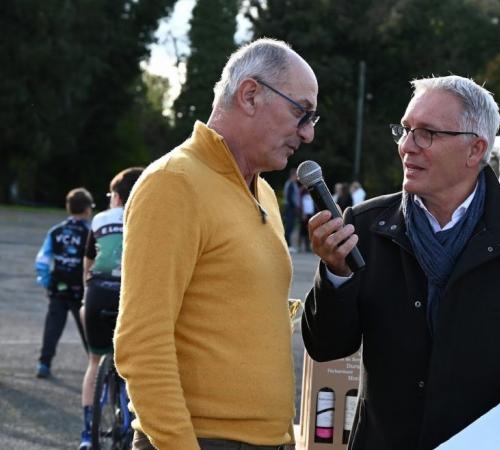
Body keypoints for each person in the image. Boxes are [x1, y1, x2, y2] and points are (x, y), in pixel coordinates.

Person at [302, 75, 500, 450]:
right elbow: (326, 347)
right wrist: (335, 275)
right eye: (405, 130)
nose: (407, 146)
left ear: (475, 150)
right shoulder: (364, 226)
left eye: (426, 133)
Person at [114, 38, 318, 450]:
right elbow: (141, 342)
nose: (308, 133)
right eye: (301, 113)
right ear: (250, 95)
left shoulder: (262, 194)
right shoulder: (174, 183)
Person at [78, 167, 143, 450]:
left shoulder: (100, 219)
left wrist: (86, 296)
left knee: (95, 362)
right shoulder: (147, 215)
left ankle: (86, 432)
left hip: (98, 292)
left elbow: (88, 264)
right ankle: (136, 421)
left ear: (115, 197)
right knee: (141, 364)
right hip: (130, 294)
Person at [34, 187, 93, 378]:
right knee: (88, 329)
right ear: (87, 210)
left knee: (53, 327)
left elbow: (42, 260)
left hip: (58, 287)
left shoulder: (56, 231)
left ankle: (44, 363)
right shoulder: (90, 233)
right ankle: (96, 365)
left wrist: (46, 280)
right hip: (81, 289)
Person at [283, 167, 300, 250]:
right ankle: (288, 245)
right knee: (289, 227)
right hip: (290, 208)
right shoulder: (290, 184)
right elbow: (290, 198)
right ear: (293, 175)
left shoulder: (292, 184)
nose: (298, 178)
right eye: (297, 175)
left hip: (290, 208)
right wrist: (295, 208)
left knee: (290, 226)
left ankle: (287, 245)